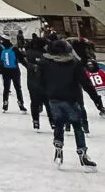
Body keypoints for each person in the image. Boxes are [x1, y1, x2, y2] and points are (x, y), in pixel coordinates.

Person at [38, 32, 99, 167]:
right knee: (77, 126)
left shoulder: (45, 63)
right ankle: (82, 154)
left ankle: (58, 148)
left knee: (59, 124)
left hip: (54, 99)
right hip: (72, 99)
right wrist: (96, 99)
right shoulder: (74, 63)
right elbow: (86, 82)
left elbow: (41, 82)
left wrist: (45, 95)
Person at [0, 38, 25, 111]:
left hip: (6, 71)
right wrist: (28, 67)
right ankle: (20, 103)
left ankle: (5, 102)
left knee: (6, 88)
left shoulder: (3, 50)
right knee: (18, 88)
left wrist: (1, 71)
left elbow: (1, 61)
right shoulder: (14, 49)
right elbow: (21, 59)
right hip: (15, 71)